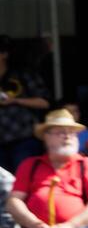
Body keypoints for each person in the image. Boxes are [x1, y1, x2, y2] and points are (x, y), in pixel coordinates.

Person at [0, 35, 51, 172]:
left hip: (23, 139)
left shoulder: (23, 75)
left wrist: (16, 100)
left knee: (24, 180)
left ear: (4, 54)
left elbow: (45, 102)